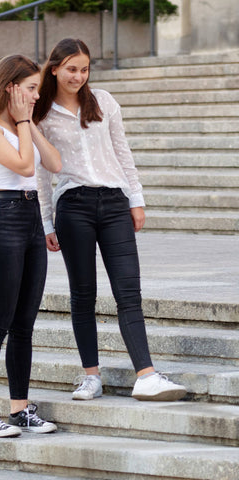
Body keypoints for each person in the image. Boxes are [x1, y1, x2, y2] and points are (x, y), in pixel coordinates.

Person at [33, 38, 187, 402]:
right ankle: (91, 376)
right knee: (83, 294)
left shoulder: (103, 102)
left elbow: (123, 152)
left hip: (115, 203)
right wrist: (46, 222)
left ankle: (146, 375)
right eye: (71, 69)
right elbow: (41, 175)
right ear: (54, 68)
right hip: (73, 207)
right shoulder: (41, 113)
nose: (78, 76)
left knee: (128, 291)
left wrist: (137, 199)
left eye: (84, 69)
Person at [0, 54, 62, 437]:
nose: (37, 95)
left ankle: (20, 408)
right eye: (32, 88)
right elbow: (23, 167)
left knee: (24, 324)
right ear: (10, 87)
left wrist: (29, 125)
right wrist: (23, 123)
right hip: (2, 218)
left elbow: (52, 163)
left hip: (31, 220)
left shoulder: (24, 125)